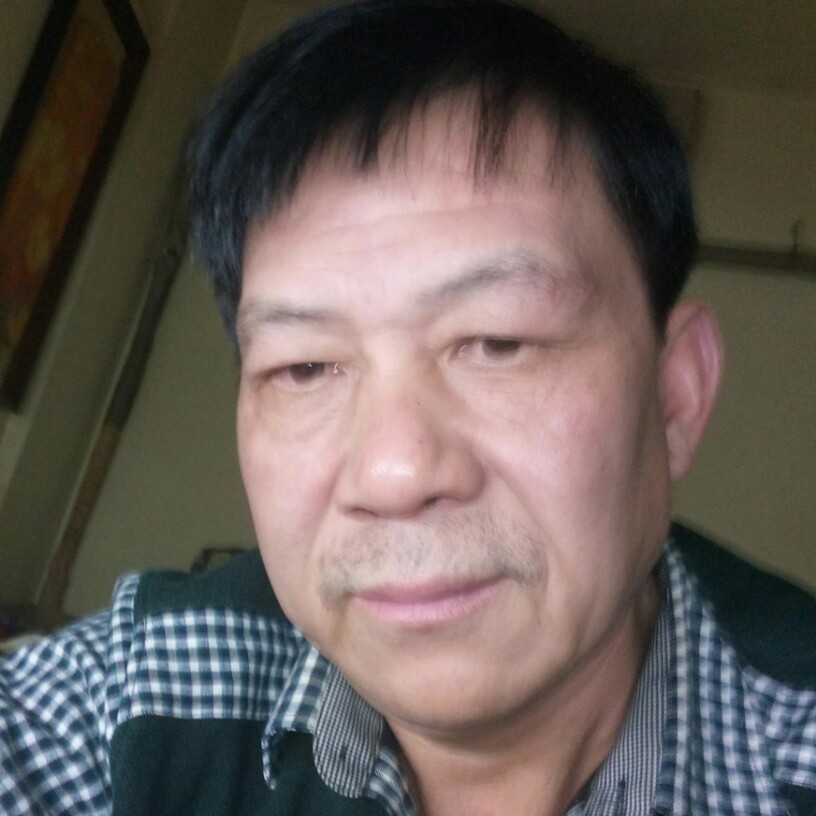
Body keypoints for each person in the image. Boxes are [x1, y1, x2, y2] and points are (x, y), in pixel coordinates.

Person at [2, 0, 815, 813]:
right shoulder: (134, 701)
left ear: (675, 393)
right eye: (305, 366)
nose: (393, 475)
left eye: (498, 342)